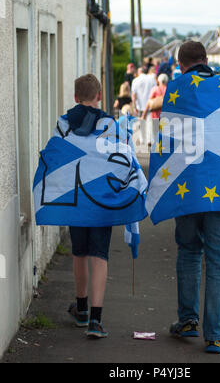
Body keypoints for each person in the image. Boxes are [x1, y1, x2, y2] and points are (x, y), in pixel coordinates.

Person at [146, 41, 220, 354]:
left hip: (186, 192)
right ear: (205, 60)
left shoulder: (177, 92)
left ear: (181, 64)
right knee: (218, 263)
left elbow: (166, 145)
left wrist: (161, 188)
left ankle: (187, 321)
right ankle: (214, 336)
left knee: (188, 252)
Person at [33, 74, 147, 340]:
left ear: (75, 97)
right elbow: (124, 159)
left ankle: (81, 309)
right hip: (103, 202)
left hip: (76, 202)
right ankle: (96, 320)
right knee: (100, 255)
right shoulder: (111, 125)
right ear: (99, 96)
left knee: (79, 253)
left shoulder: (63, 124)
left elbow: (55, 155)